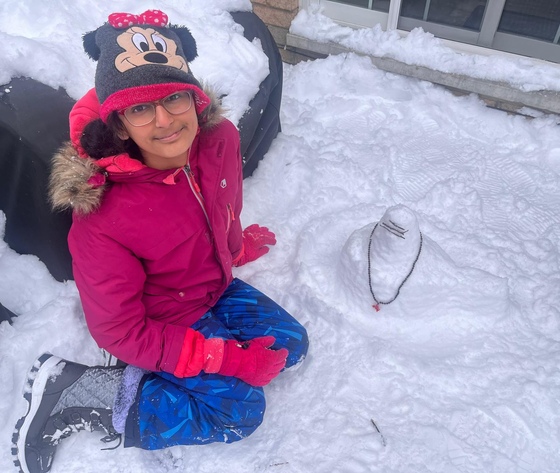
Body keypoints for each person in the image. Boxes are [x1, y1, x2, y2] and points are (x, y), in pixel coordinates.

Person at [12, 10, 308, 473]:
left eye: (174, 97)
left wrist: (236, 249)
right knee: (239, 411)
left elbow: (222, 207)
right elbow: (118, 329)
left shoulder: (220, 140)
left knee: (290, 345)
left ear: (195, 99)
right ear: (119, 124)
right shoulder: (103, 214)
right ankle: (84, 392)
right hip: (161, 317)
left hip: (213, 285)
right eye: (140, 107)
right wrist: (221, 355)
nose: (166, 120)